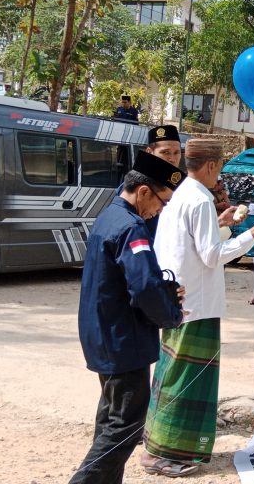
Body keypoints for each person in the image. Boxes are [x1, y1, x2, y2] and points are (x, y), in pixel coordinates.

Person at [141, 139, 254, 477]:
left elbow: (193, 243)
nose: (219, 173)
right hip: (198, 304)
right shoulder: (200, 199)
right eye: (219, 167)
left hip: (176, 297)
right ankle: (173, 452)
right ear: (210, 166)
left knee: (171, 373)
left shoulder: (179, 194)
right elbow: (212, 255)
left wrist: (225, 222)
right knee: (189, 380)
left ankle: (156, 445)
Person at [70, 152, 185, 484]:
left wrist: (164, 290)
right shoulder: (131, 227)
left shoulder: (109, 217)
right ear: (145, 192)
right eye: (163, 201)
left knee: (111, 420)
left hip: (104, 333)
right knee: (127, 425)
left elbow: (125, 280)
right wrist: (172, 314)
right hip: (122, 339)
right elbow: (145, 287)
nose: (161, 210)